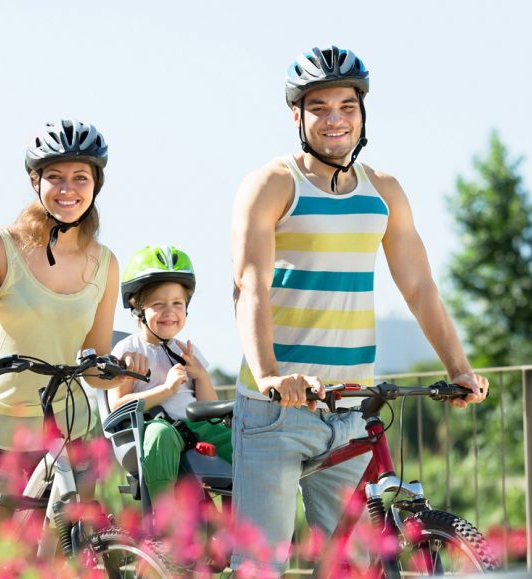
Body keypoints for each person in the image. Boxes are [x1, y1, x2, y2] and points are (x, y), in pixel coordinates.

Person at [229, 45, 490, 574]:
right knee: (262, 565)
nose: (335, 119)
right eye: (319, 107)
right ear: (296, 116)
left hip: (350, 405)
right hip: (277, 408)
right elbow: (248, 284)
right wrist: (271, 374)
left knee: (354, 564)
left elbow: (419, 287)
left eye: (347, 106)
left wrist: (458, 368)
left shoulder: (383, 191)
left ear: (362, 113)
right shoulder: (272, 184)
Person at [0, 119, 148, 577]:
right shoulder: (0, 244)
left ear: (96, 184)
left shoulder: (105, 263)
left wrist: (116, 366)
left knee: (66, 565)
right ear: (35, 181)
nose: (68, 189)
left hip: (67, 434)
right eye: (55, 176)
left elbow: (94, 361)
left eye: (81, 177)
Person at [109, 245, 232, 497]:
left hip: (196, 426)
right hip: (158, 426)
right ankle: (163, 521)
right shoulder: (129, 349)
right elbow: (118, 404)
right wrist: (166, 390)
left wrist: (201, 375)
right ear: (138, 311)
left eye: (177, 303)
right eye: (158, 304)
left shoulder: (187, 350)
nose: (170, 311)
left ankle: (246, 520)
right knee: (160, 434)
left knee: (243, 439)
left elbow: (208, 408)